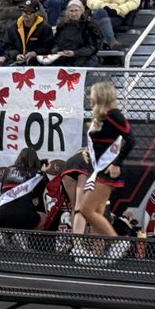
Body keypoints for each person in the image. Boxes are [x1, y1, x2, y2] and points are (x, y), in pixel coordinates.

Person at [64, 81, 132, 243]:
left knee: (85, 209)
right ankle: (97, 253)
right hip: (99, 170)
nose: (89, 98)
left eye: (92, 95)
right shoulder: (102, 117)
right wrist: (89, 151)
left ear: (101, 96)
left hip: (106, 171)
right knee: (95, 213)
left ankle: (118, 243)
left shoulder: (114, 115)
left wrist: (117, 163)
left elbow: (130, 140)